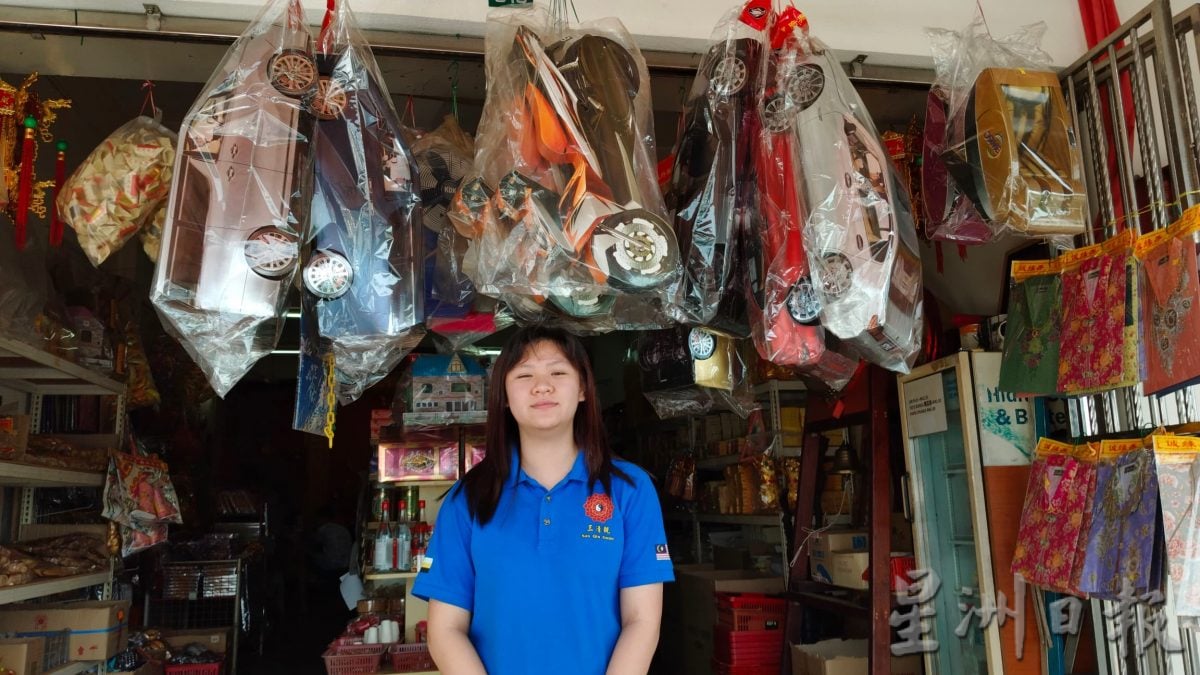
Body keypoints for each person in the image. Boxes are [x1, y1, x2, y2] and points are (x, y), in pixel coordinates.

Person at [412, 326, 674, 675]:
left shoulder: (630, 490)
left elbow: (641, 621)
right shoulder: (469, 498)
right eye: (524, 375)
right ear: (503, 394)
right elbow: (445, 630)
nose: (542, 386)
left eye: (558, 371)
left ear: (582, 388)